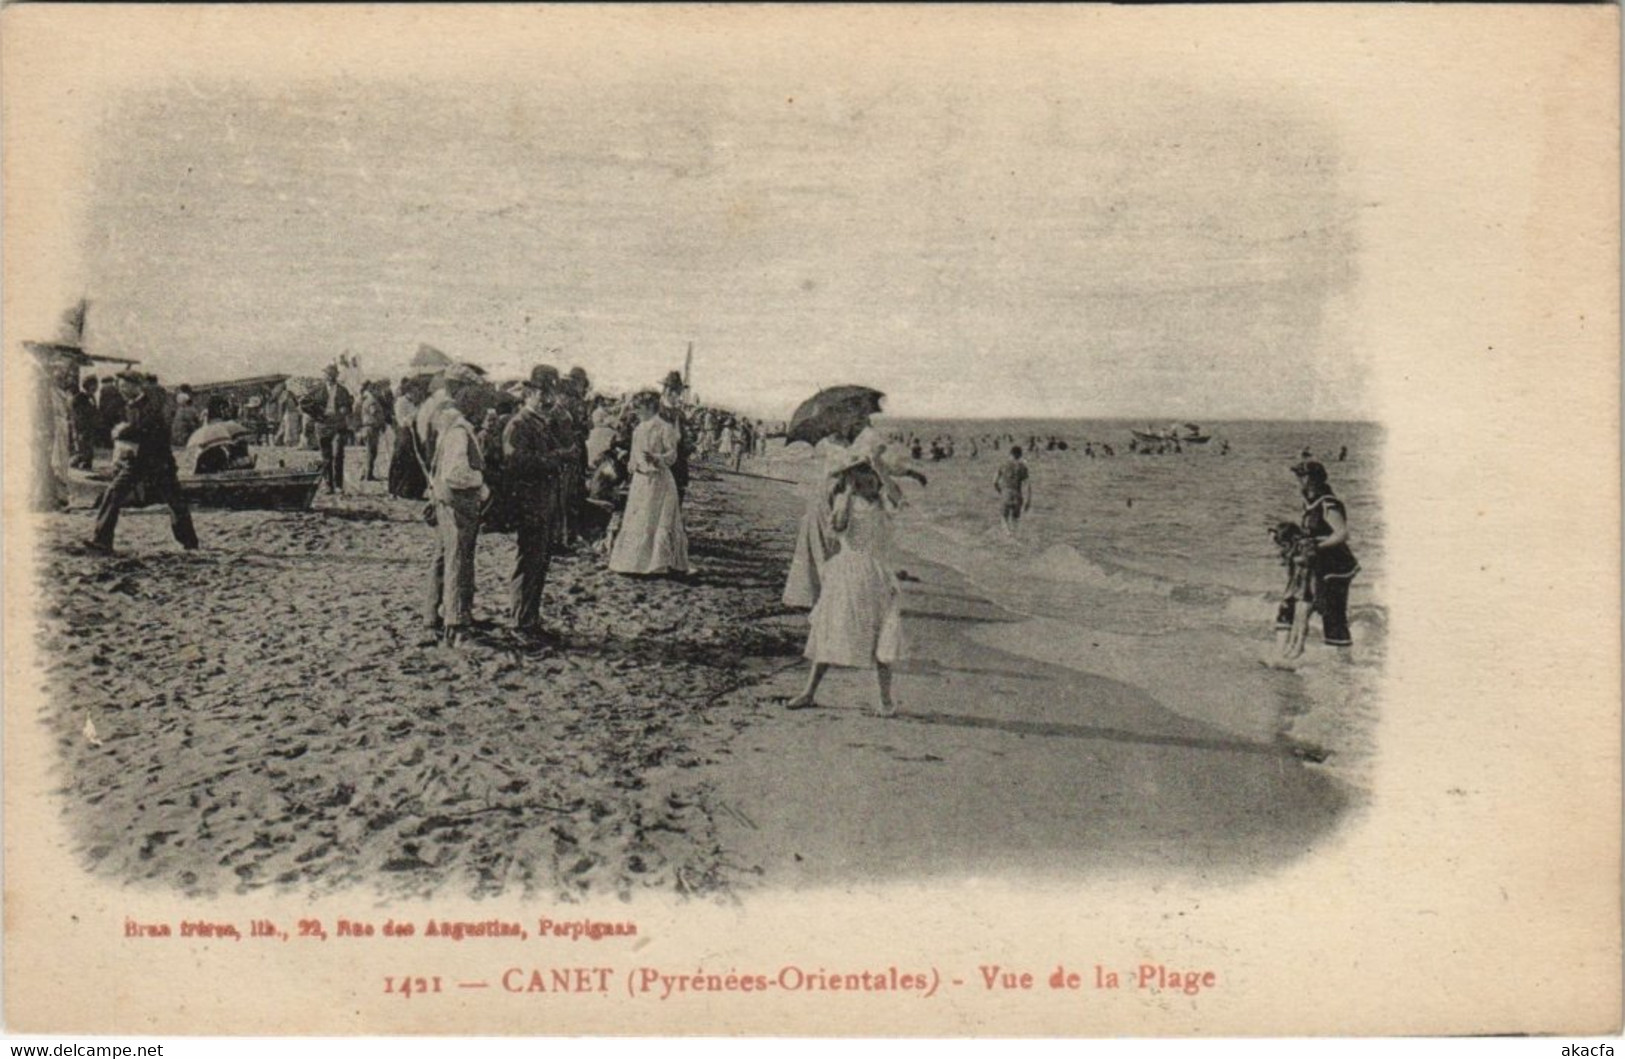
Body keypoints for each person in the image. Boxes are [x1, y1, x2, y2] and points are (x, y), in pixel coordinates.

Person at [786, 456, 904, 716]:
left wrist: (882, 470)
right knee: (832, 631)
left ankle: (885, 700)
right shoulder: (846, 501)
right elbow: (837, 529)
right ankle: (808, 692)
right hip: (847, 574)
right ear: (856, 482)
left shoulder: (884, 502)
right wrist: (848, 495)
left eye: (874, 480)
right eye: (866, 480)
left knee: (882, 635)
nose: (872, 484)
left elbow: (897, 495)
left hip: (876, 574)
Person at [89, 371, 199, 554]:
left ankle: (190, 544)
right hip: (136, 462)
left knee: (175, 502)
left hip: (159, 460)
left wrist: (123, 432)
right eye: (119, 386)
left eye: (124, 386)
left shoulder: (152, 403)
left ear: (136, 385)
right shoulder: (128, 407)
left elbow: (147, 428)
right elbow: (132, 433)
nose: (121, 390)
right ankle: (102, 541)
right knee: (113, 493)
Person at [503, 365, 574, 639]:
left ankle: (530, 620)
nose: (547, 400)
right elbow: (515, 462)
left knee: (539, 564)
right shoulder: (519, 424)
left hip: (545, 503)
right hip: (529, 505)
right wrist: (555, 459)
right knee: (529, 563)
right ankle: (520, 623)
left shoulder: (542, 423)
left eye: (551, 394)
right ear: (529, 393)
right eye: (542, 393)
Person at [424, 365, 487, 647]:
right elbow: (456, 473)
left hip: (442, 498)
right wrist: (482, 483)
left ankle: (432, 614)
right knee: (459, 561)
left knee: (443, 557)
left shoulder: (441, 421)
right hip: (457, 501)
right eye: (473, 393)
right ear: (461, 391)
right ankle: (457, 623)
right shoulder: (458, 428)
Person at [1276, 460, 1360, 651]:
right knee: (1293, 604)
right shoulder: (1309, 502)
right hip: (1316, 562)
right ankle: (1284, 651)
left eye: (1302, 476)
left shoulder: (1328, 503)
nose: (1298, 480)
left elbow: (1342, 534)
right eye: (1298, 476)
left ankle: (1342, 661)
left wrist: (1317, 545)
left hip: (1335, 565)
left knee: (1333, 612)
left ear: (1313, 479)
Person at [609, 389, 689, 577]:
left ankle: (657, 563)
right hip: (641, 480)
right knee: (639, 517)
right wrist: (632, 464)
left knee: (655, 518)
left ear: (650, 407)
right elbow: (634, 454)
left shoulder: (664, 428)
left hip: (659, 480)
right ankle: (633, 563)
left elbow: (672, 455)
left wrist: (656, 458)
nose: (636, 411)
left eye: (640, 408)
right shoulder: (639, 428)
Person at [310, 365, 354, 494]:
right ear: (324, 376)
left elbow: (349, 405)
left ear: (336, 375)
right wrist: (317, 415)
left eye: (332, 374)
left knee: (338, 454)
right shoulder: (317, 390)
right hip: (323, 425)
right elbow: (307, 405)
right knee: (326, 456)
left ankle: (338, 485)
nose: (330, 377)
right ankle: (328, 484)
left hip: (338, 424)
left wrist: (345, 409)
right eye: (327, 374)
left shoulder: (343, 390)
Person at [659, 371, 691, 500]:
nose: (676, 395)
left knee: (676, 495)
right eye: (673, 391)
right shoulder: (656, 409)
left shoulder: (679, 414)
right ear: (666, 390)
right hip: (659, 458)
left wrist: (687, 444)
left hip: (677, 460)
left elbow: (683, 436)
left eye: (678, 392)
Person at [996, 446, 1032, 534]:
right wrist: (1028, 501)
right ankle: (1014, 536)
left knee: (1004, 518)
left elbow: (994, 482)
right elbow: (1028, 485)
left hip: (1006, 493)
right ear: (1020, 455)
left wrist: (1000, 491)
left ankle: (1007, 535)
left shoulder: (1003, 464)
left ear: (1010, 453)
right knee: (1015, 519)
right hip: (1017, 495)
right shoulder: (1023, 467)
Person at [69, 376, 100, 469]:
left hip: (90, 427)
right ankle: (75, 461)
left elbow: (94, 411)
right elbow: (77, 415)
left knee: (89, 446)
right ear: (87, 386)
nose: (96, 388)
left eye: (96, 385)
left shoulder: (92, 397)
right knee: (82, 446)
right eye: (93, 385)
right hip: (81, 427)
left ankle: (87, 462)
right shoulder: (78, 398)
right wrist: (80, 428)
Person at [359, 384, 387, 481]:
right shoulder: (372, 401)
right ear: (373, 390)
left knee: (369, 452)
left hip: (369, 428)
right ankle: (368, 475)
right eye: (378, 390)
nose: (380, 392)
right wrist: (382, 421)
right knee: (372, 452)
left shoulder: (368, 400)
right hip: (371, 428)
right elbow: (374, 412)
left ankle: (365, 473)